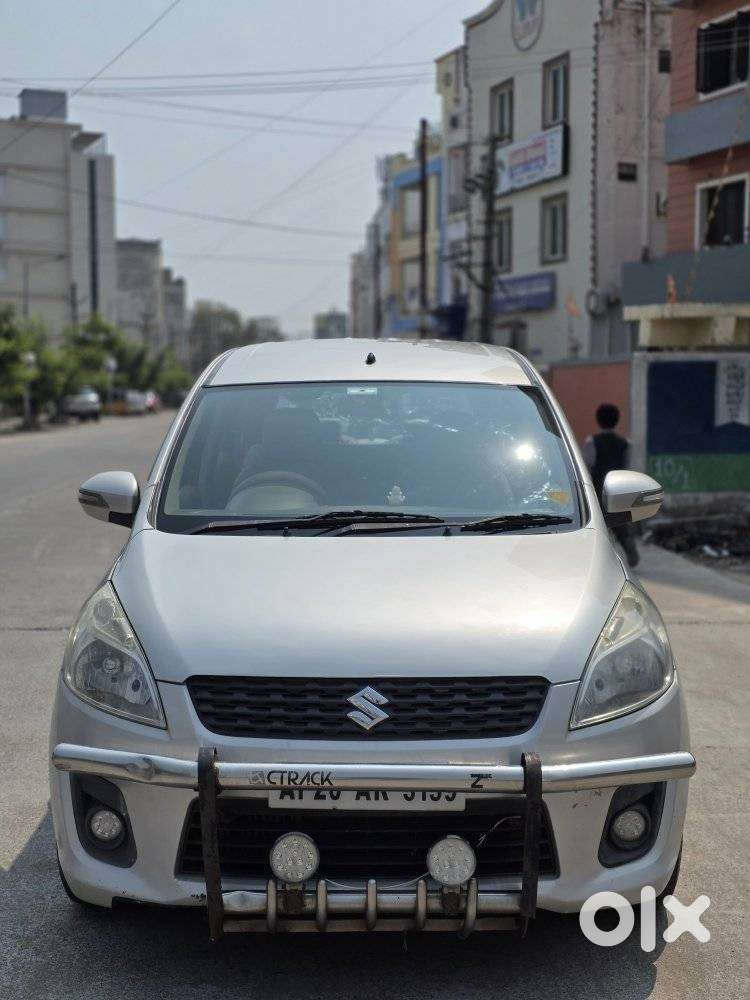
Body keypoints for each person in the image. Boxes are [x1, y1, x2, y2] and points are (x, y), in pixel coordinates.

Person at [582, 403, 639, 568]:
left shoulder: (591, 441)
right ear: (617, 420)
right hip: (619, 490)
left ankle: (602, 560)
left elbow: (588, 464)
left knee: (600, 526)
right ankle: (629, 549)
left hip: (599, 489)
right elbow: (627, 466)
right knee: (621, 525)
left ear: (597, 420)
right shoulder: (625, 443)